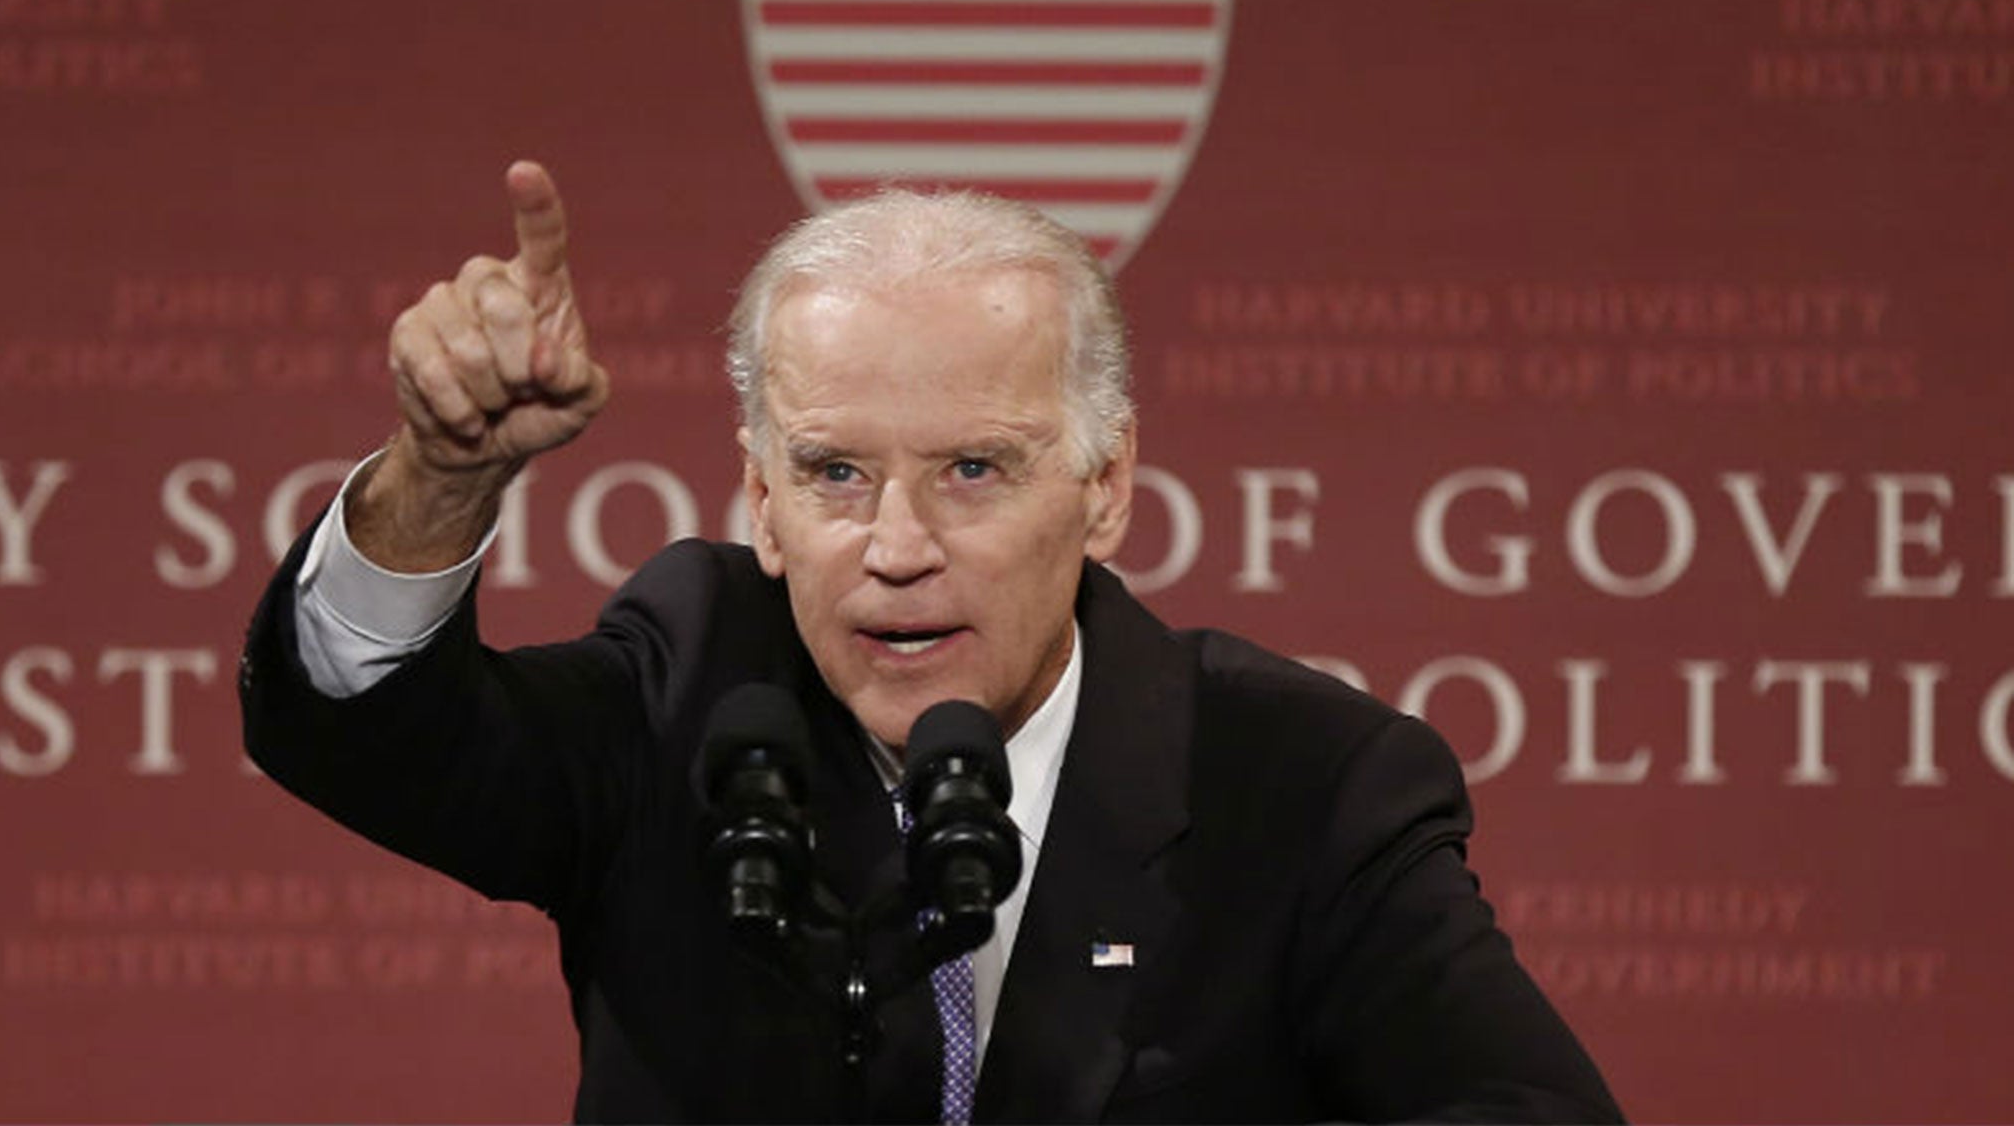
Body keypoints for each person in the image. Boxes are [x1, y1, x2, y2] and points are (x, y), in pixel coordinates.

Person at [241, 160, 1623, 1124]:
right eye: (835, 473)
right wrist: (443, 477)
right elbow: (361, 727)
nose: (895, 545)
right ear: (760, 501)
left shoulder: (1305, 783)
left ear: (1105, 486)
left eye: (973, 469)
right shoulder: (698, 692)